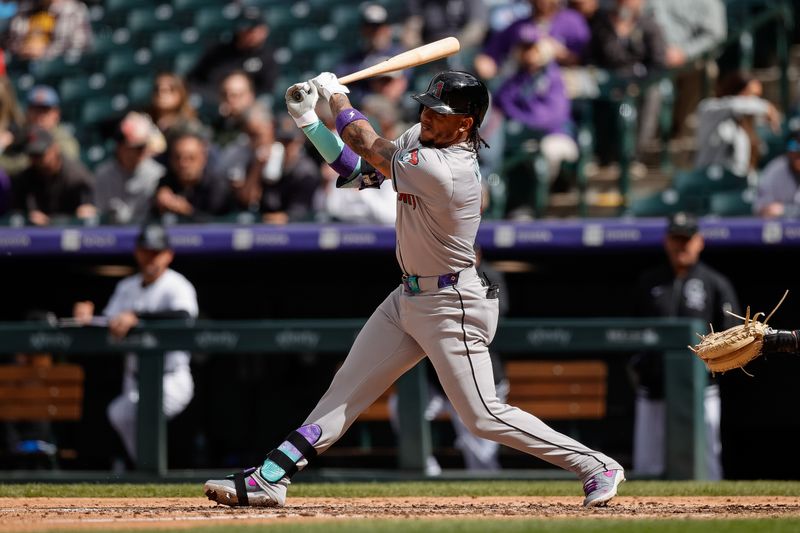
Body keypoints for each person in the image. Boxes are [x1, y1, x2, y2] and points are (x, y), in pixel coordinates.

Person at [203, 70, 625, 508]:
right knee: (345, 390)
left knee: (482, 416)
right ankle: (271, 476)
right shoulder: (420, 141)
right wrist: (311, 121)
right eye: (426, 106)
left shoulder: (453, 169)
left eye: (439, 112)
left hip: (452, 302)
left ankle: (595, 464)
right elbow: (360, 172)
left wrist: (338, 97)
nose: (426, 116)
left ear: (465, 123)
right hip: (407, 297)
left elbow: (366, 142)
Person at [72, 223, 198, 463]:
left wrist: (138, 318)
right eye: (146, 251)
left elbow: (184, 318)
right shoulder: (127, 287)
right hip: (134, 379)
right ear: (137, 252)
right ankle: (145, 468)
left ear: (168, 254)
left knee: (142, 412)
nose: (150, 257)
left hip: (171, 378)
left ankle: (152, 469)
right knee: (119, 413)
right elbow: (109, 321)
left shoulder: (177, 285)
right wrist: (88, 318)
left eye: (156, 252)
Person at [631, 212, 740, 480]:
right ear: (666, 241)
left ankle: (714, 515)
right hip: (654, 386)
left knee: (707, 461)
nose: (681, 245)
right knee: (648, 465)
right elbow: (631, 330)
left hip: (700, 386)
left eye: (686, 239)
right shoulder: (649, 281)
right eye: (676, 239)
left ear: (699, 241)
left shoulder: (714, 283)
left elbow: (733, 334)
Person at [388, 244, 510, 475]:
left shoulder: (489, 275)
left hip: (478, 375)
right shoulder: (432, 274)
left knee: (482, 455)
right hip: (438, 379)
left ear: (477, 255)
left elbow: (496, 315)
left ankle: (489, 497)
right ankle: (427, 471)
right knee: (400, 406)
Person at [479, 23, 578, 217]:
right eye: (523, 47)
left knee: (545, 152)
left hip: (554, 134)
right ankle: (512, 205)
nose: (527, 53)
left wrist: (518, 118)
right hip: (521, 137)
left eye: (531, 47)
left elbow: (549, 118)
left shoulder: (553, 76)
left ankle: (538, 208)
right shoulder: (517, 77)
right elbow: (501, 102)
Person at [694, 71, 781, 179]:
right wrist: (766, 107)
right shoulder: (710, 108)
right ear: (737, 90)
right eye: (751, 95)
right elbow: (735, 105)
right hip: (709, 179)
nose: (754, 101)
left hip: (737, 184)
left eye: (758, 97)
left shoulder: (750, 119)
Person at [475, 0, 590, 80]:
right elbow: (490, 55)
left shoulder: (573, 21)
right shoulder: (518, 27)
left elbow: (582, 59)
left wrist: (555, 52)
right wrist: (486, 64)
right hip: (518, 89)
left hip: (558, 91)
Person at [187, 5, 277, 102]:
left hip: (246, 107)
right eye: (245, 27)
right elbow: (194, 80)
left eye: (253, 29)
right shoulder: (219, 51)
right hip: (212, 102)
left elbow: (266, 92)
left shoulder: (267, 57)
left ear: (264, 31)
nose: (249, 33)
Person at [11, 125, 94, 225]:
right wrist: (27, 217)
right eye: (32, 155)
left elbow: (89, 211)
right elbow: (16, 213)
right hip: (37, 235)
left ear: (55, 149)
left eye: (40, 154)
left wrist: (81, 215)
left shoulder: (77, 177)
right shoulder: (25, 178)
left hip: (72, 233)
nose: (36, 160)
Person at [93, 112, 166, 224]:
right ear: (120, 147)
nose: (140, 152)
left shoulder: (157, 174)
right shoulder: (103, 174)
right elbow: (99, 214)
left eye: (142, 147)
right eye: (135, 148)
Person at [152, 130, 232, 221]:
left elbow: (220, 225)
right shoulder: (165, 182)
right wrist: (158, 202)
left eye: (191, 158)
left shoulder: (218, 187)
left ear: (203, 158)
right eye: (177, 157)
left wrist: (187, 211)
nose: (183, 164)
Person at [3, 0, 93, 61]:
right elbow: (10, 41)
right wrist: (23, 49)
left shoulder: (74, 10)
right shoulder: (25, 8)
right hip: (23, 66)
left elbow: (80, 49)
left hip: (57, 73)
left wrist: (45, 51)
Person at [24, 84, 79, 161]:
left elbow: (66, 162)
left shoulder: (64, 140)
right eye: (35, 110)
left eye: (44, 110)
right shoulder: (20, 136)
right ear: (27, 112)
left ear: (56, 114)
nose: (39, 116)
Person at [753, 130, 800, 218]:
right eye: (794, 146)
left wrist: (785, 210)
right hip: (780, 227)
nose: (798, 153)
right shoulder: (775, 170)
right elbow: (761, 208)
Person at [146, 73, 201, 142]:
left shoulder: (190, 127)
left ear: (181, 93)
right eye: (157, 88)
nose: (161, 92)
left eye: (170, 89)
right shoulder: (143, 122)